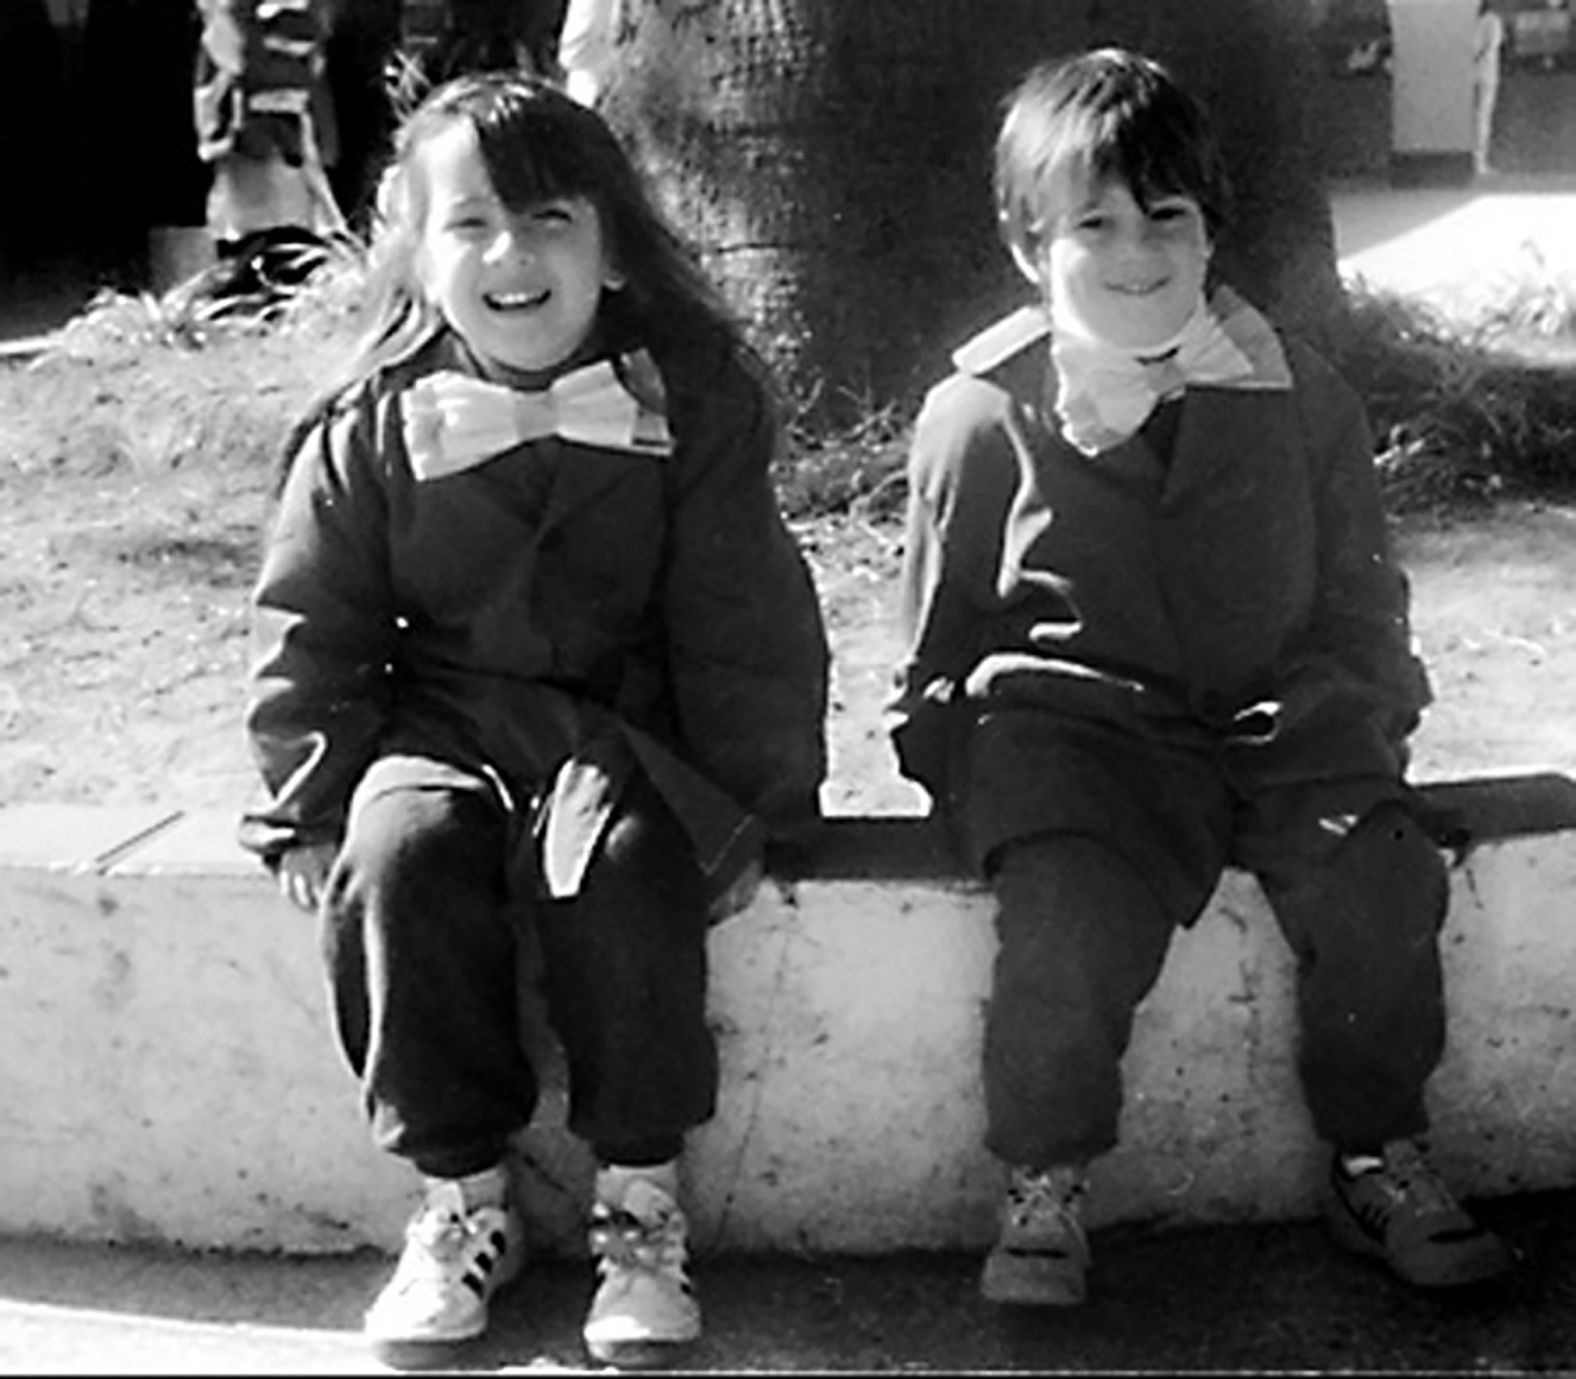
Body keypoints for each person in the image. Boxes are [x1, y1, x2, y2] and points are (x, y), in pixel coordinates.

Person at [885, 47, 1516, 1309]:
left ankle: (1373, 1150)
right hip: (1079, 737)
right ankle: (1046, 1173)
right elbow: (933, 647)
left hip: (1285, 720)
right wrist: (981, 788)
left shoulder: (1296, 394)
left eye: (1164, 213)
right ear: (1026, 245)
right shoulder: (977, 416)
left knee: (1377, 874)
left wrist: (1359, 713)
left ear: (1209, 226)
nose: (1135, 250)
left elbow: (1360, 595)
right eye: (1093, 222)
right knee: (1066, 917)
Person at [239, 70, 829, 1365]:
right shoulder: (366, 427)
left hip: (629, 732)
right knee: (396, 861)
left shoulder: (693, 404)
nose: (513, 253)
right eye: (472, 224)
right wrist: (305, 803)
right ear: (418, 252)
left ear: (613, 246)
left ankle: (639, 1193)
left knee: (623, 871)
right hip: (442, 723)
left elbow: (747, 613)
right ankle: (460, 1195)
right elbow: (312, 626)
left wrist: (758, 801)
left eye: (551, 217)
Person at [192, 0, 347, 307]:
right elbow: (216, 94)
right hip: (251, 169)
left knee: (293, 242)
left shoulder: (299, 28)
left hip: (291, 167)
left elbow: (313, 85)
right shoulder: (224, 34)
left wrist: (323, 137)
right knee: (253, 242)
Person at [1473, 1, 1506, 176]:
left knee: (1482, 118)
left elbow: (1489, 47)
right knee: (1475, 119)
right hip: (1470, 77)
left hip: (1485, 75)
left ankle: (1480, 161)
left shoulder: (1492, 21)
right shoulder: (1468, 21)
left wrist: (1469, 59)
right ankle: (1473, 161)